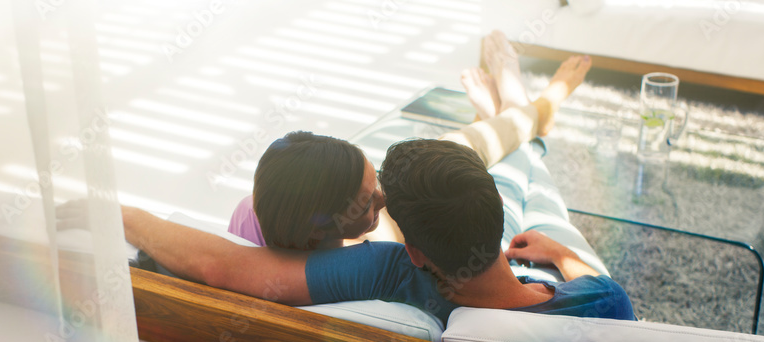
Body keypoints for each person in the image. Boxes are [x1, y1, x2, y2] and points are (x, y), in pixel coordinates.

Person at [57, 33, 633, 325]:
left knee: (513, 160)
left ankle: (517, 117)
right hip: (523, 256)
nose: (378, 202)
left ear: (411, 251)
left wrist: (121, 213)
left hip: (488, 236)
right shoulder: (606, 302)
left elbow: (224, 266)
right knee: (525, 173)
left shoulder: (391, 271)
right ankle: (531, 113)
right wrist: (563, 257)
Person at [227, 31, 583, 251]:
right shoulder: (367, 265)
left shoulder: (251, 212)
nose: (386, 196)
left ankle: (507, 116)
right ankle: (535, 108)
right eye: (367, 202)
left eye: (375, 182)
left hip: (379, 223)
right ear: (321, 231)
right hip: (405, 224)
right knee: (467, 157)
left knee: (452, 147)